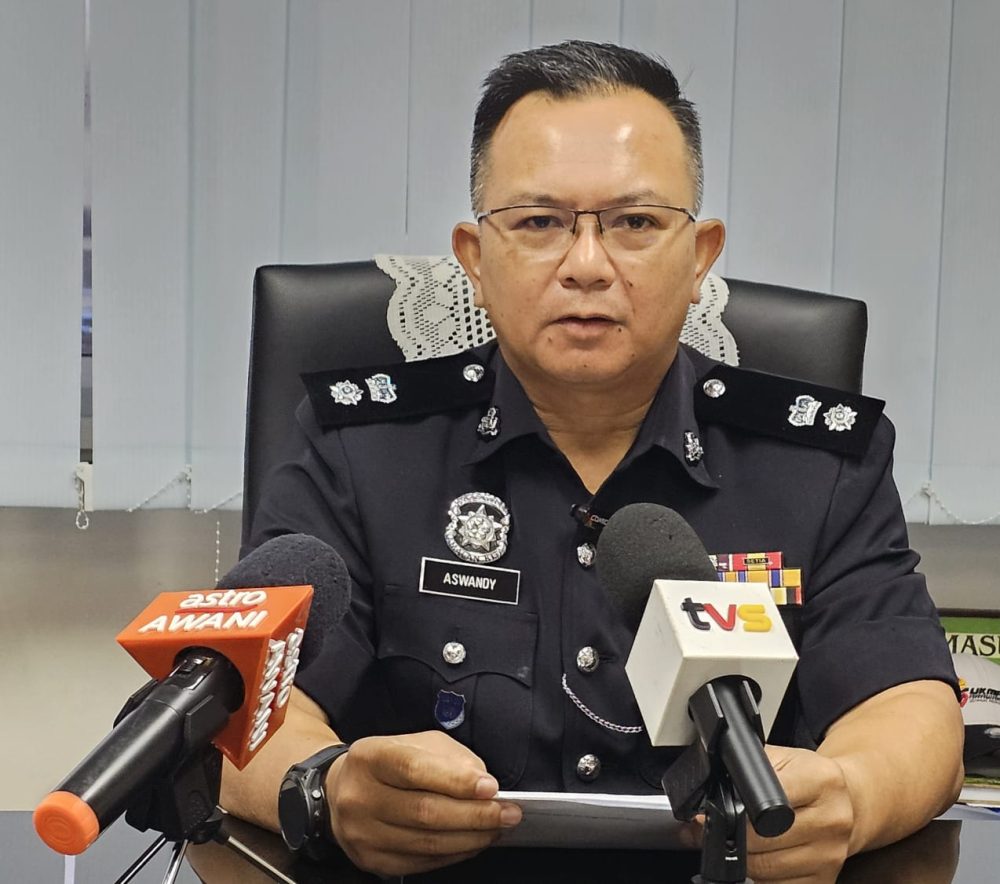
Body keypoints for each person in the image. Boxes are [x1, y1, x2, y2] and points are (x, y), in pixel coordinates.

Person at [221, 41, 963, 882]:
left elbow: (911, 711)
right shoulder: (361, 449)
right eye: (538, 223)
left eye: (635, 223)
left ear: (701, 256)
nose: (586, 265)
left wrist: (851, 796)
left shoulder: (815, 464)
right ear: (474, 258)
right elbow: (238, 708)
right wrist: (324, 787)